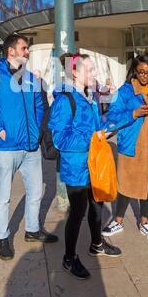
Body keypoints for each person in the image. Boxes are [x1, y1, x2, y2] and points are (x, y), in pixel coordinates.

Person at [0, 34, 58, 261]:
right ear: (11, 51)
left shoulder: (30, 78)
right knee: (3, 196)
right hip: (6, 147)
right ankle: (2, 237)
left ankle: (32, 229)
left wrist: (38, 131)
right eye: (24, 48)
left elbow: (40, 106)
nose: (28, 52)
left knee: (36, 191)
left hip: (31, 147)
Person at [48, 53, 121, 280]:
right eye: (89, 69)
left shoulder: (88, 97)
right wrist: (94, 137)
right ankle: (69, 258)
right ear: (76, 73)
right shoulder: (65, 100)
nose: (94, 73)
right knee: (78, 212)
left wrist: (110, 126)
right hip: (76, 167)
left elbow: (96, 126)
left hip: (93, 164)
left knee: (97, 205)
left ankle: (96, 244)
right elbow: (61, 139)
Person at [102, 55, 148, 242]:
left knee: (146, 186)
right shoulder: (125, 91)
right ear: (134, 71)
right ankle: (118, 220)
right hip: (131, 146)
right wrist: (134, 113)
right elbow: (112, 117)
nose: (145, 76)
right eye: (141, 72)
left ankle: (145, 221)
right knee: (125, 185)